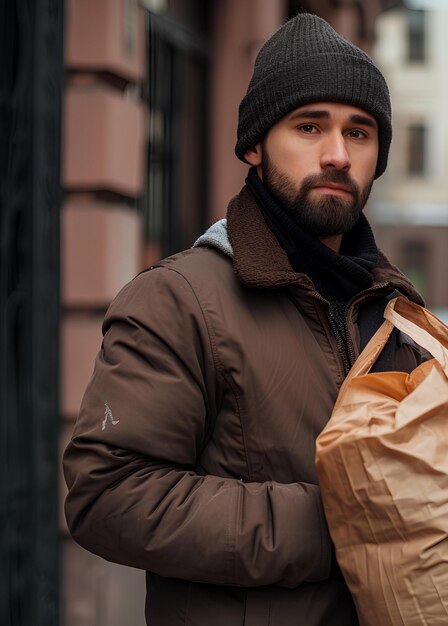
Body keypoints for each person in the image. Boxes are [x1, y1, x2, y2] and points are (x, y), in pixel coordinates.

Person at [63, 13, 426, 626]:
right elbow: (106, 495)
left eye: (359, 133)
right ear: (255, 145)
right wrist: (337, 523)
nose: (337, 154)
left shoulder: (401, 317)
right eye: (309, 127)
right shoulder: (176, 301)